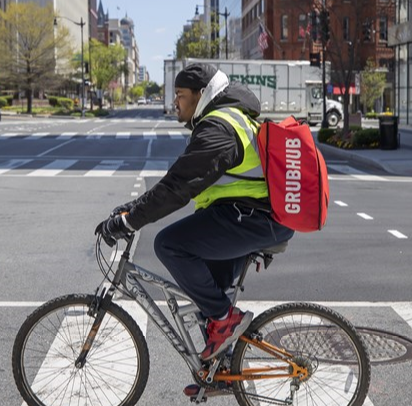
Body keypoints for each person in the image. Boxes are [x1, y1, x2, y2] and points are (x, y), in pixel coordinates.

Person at [95, 63, 294, 384]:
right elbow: (178, 180)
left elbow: (179, 188)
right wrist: (131, 209)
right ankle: (224, 367)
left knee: (170, 245)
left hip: (253, 218)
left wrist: (131, 222)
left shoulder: (220, 128)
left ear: (202, 95)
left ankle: (225, 321)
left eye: (181, 95)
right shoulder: (222, 120)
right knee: (206, 298)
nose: (176, 102)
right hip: (249, 216)